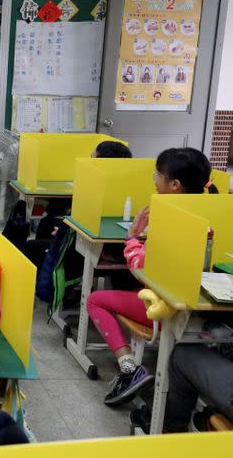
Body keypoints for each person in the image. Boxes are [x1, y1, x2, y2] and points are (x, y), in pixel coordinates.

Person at [87, 147, 219, 406]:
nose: (154, 180)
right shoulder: (209, 213)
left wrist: (133, 237)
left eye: (158, 175)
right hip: (201, 308)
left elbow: (140, 267)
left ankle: (128, 368)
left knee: (94, 299)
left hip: (167, 307)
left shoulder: (173, 219)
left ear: (175, 185)